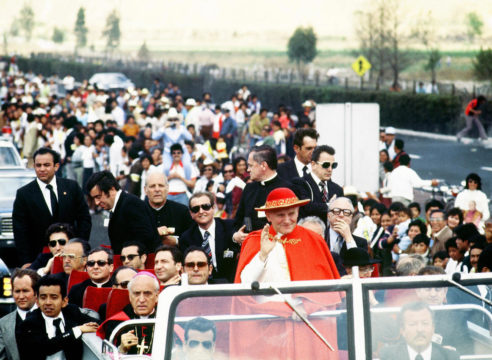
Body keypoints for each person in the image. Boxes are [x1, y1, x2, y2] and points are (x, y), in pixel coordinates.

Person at [232, 187, 341, 359]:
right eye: (280, 215)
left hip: (306, 324)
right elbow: (244, 286)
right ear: (268, 216)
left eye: (292, 213)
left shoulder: (314, 241)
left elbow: (328, 290)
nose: (288, 220)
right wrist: (263, 254)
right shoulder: (254, 241)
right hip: (268, 327)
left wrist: (307, 306)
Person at [13, 147, 92, 266]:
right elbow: (20, 231)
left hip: (71, 258)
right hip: (38, 258)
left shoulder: (72, 187)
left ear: (56, 166)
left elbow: (84, 220)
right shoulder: (24, 194)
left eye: (46, 165)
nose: (42, 169)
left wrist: (80, 249)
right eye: (38, 165)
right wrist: (26, 261)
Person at [18, 275, 99, 360]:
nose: (48, 302)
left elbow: (100, 324)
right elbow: (47, 346)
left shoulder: (72, 312)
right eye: (43, 297)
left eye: (54, 297)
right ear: (37, 301)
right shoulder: (28, 323)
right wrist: (77, 330)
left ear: (64, 301)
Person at [86, 170, 160, 254]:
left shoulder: (131, 204)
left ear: (112, 189)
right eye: (94, 198)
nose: (96, 202)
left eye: (98, 197)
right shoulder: (119, 205)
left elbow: (145, 238)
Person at [233, 145, 292, 243]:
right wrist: (236, 236)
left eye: (251, 165)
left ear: (264, 165)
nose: (247, 170)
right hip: (250, 249)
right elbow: (238, 221)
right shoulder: (249, 189)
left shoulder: (287, 189)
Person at [179, 192, 239, 283]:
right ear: (191, 214)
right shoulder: (186, 238)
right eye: (196, 209)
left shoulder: (230, 227)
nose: (201, 211)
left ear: (213, 208)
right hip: (202, 286)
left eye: (205, 206)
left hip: (231, 283)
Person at [97, 272, 159, 355]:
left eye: (147, 293)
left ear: (157, 296)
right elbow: (106, 355)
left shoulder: (167, 321)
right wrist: (122, 349)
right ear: (130, 296)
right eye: (136, 293)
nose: (141, 300)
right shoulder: (116, 324)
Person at [379, 302, 459, 360]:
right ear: (402, 330)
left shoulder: (449, 356)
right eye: (413, 324)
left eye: (425, 323)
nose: (420, 329)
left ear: (433, 328)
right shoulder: (388, 355)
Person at [293, 145, 344, 225]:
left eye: (333, 165)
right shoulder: (300, 183)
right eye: (326, 165)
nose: (330, 169)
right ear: (313, 164)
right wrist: (331, 206)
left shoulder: (337, 189)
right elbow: (307, 207)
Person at [0, 269, 40, 360]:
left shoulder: (50, 316)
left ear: (36, 292)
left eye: (25, 291)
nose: (21, 297)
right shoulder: (3, 324)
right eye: (17, 291)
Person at [144, 172, 194, 245]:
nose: (157, 189)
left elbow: (192, 239)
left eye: (161, 186)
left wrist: (176, 241)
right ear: (145, 190)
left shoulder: (182, 211)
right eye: (152, 186)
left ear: (167, 188)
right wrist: (155, 233)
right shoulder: (137, 212)